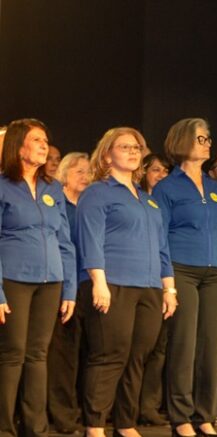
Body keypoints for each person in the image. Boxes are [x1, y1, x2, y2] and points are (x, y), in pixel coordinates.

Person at [76, 127, 177, 437]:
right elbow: (89, 239)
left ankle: (125, 423)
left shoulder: (148, 200)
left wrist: (169, 288)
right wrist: (99, 282)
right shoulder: (97, 192)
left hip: (148, 287)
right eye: (125, 147)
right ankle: (95, 425)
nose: (134, 152)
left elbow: (162, 248)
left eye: (137, 147)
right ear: (107, 155)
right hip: (113, 283)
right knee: (110, 355)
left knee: (137, 358)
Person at [153, 118, 217, 437]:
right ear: (182, 143)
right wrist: (167, 282)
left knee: (212, 347)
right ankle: (181, 417)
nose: (207, 143)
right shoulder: (167, 187)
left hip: (216, 274)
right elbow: (160, 236)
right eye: (201, 138)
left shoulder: (216, 189)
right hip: (182, 271)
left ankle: (206, 414)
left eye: (208, 138)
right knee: (184, 345)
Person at [0, 118, 77, 437]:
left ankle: (36, 428)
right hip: (14, 279)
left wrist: (70, 288)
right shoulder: (3, 185)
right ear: (19, 146)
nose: (45, 145)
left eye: (46, 139)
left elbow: (65, 241)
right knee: (13, 353)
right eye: (37, 140)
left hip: (51, 281)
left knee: (38, 354)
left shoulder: (52, 188)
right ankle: (4, 427)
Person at [47, 151, 91, 433]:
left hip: (86, 287)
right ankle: (61, 417)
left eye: (89, 172)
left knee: (80, 354)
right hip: (58, 286)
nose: (86, 177)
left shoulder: (89, 206)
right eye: (79, 172)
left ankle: (80, 412)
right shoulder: (57, 203)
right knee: (59, 356)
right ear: (64, 175)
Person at [137, 152, 173, 427]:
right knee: (130, 349)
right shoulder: (134, 198)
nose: (161, 176)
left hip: (160, 279)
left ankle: (149, 405)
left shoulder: (162, 203)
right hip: (133, 282)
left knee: (158, 347)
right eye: (156, 170)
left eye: (165, 172)